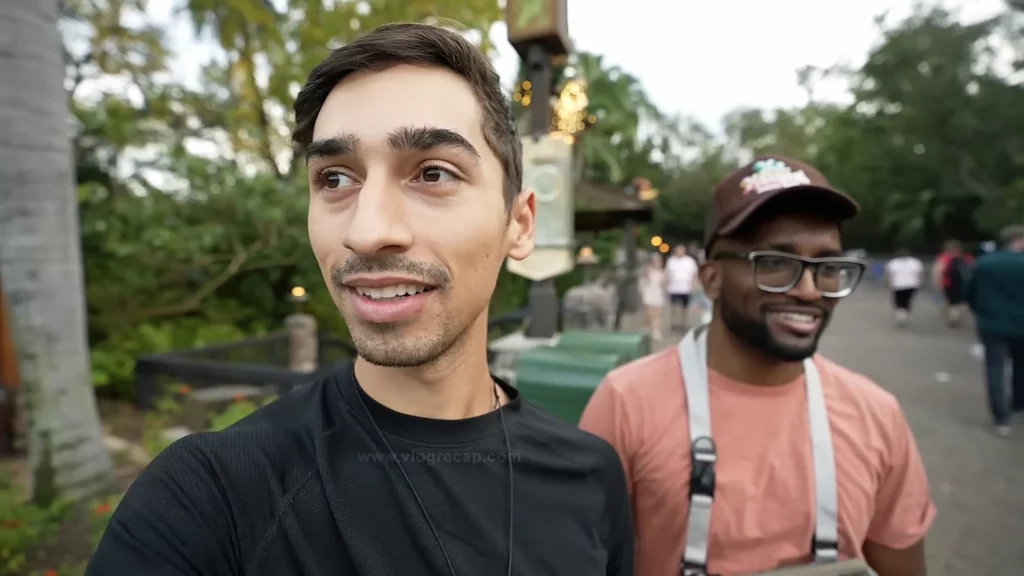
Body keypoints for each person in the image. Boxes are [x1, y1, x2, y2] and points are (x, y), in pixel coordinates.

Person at [88, 24, 634, 576]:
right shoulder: (215, 497)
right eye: (334, 179)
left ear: (519, 224)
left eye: (433, 172)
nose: (367, 231)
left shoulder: (591, 476)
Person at [580, 156, 935, 576]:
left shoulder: (876, 415)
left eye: (828, 267)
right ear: (711, 279)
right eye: (774, 263)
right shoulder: (628, 402)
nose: (808, 290)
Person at [966, 226, 1024, 438]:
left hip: (991, 323)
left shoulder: (984, 263)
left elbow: (970, 292)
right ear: (1018, 240)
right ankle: (1018, 403)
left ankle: (1001, 417)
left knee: (995, 367)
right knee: (1020, 365)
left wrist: (981, 311)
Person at [933, 239, 973, 327]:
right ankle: (954, 314)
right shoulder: (967, 258)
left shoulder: (944, 258)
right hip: (963, 284)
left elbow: (938, 271)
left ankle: (953, 317)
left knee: (951, 301)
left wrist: (937, 283)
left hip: (948, 283)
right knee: (957, 301)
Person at [884, 249, 924, 327]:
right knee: (907, 300)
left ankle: (901, 316)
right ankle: (904, 314)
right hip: (912, 285)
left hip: (898, 285)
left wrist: (888, 284)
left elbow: (888, 275)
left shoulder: (893, 262)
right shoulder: (915, 262)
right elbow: (920, 274)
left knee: (899, 301)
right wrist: (919, 283)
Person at [665, 244, 700, 331]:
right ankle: (674, 323)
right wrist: (666, 286)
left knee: (685, 308)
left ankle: (684, 323)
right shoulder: (671, 261)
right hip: (674, 288)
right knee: (674, 307)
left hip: (686, 288)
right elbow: (667, 274)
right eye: (678, 250)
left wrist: (693, 285)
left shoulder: (689, 261)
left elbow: (694, 274)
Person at [640, 254, 667, 339]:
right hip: (649, 293)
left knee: (658, 313)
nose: (657, 264)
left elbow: (664, 284)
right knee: (649, 313)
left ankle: (656, 330)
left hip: (658, 294)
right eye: (655, 262)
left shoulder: (662, 273)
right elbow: (644, 279)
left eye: (659, 262)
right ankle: (646, 327)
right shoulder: (648, 271)